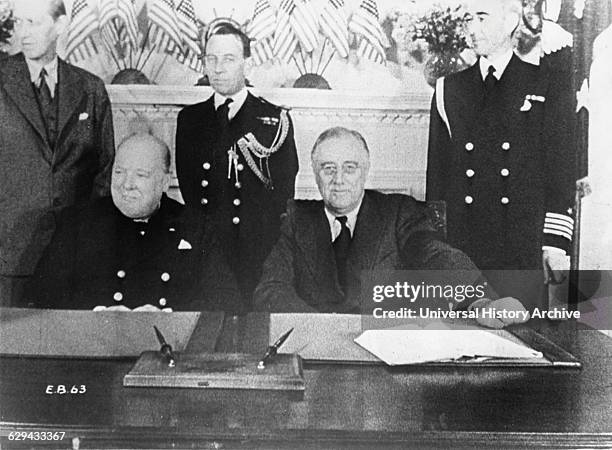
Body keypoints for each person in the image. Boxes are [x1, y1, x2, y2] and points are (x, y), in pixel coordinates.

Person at [254, 127, 527, 328]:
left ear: (366, 170)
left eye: (350, 168)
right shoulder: (296, 219)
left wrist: (480, 303)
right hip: (314, 348)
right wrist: (322, 328)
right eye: (328, 168)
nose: (339, 179)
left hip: (384, 352)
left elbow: (435, 254)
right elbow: (270, 289)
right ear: (314, 174)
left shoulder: (398, 211)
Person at [426, 0, 575, 302]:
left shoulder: (545, 84)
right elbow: (437, 179)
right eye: (468, 19)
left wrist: (555, 244)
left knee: (524, 339)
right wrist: (436, 248)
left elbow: (560, 170)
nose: (472, 28)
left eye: (482, 17)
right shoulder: (448, 89)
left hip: (522, 245)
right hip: (463, 247)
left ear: (510, 22)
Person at [22, 133, 241, 312]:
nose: (127, 184)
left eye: (141, 175)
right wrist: (98, 313)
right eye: (119, 172)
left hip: (167, 350)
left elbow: (227, 299)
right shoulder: (78, 223)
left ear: (165, 181)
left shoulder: (195, 228)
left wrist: (168, 315)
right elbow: (41, 295)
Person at [175, 22, 298, 308]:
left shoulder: (273, 120)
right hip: (208, 250)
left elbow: (283, 192)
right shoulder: (190, 120)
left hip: (260, 247)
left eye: (228, 59)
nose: (218, 68)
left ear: (247, 64)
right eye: (211, 59)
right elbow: (191, 191)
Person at [0, 0, 115, 306]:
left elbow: (104, 171)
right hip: (9, 257)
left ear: (61, 26)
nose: (23, 33)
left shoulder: (90, 89)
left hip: (72, 257)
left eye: (34, 23)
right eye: (19, 23)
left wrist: (87, 239)